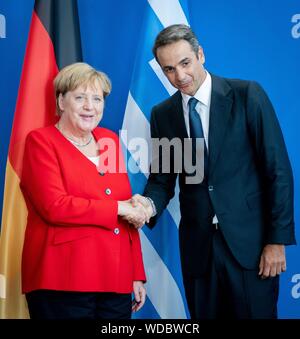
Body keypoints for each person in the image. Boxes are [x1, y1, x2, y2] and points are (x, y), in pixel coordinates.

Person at [132, 24, 296, 319]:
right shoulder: (164, 114)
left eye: (185, 63)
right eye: (169, 69)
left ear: (201, 55)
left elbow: (278, 172)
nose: (180, 77)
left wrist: (276, 240)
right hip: (200, 252)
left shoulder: (247, 95)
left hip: (252, 248)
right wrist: (146, 205)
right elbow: (163, 179)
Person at [20, 62, 147, 319]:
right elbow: (54, 206)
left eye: (97, 99)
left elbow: (125, 211)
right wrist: (119, 207)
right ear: (61, 101)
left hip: (116, 278)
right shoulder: (41, 142)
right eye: (80, 98)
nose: (90, 106)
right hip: (62, 277)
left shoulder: (109, 140)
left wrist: (135, 273)